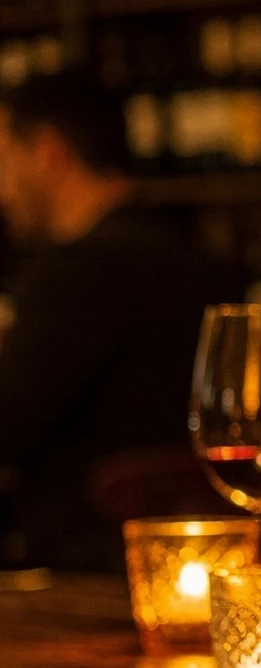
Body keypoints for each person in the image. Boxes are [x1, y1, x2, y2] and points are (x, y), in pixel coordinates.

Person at [0, 71, 241, 571]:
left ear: (47, 153)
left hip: (84, 573)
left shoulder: (76, 273)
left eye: (4, 159)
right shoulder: (202, 260)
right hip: (212, 558)